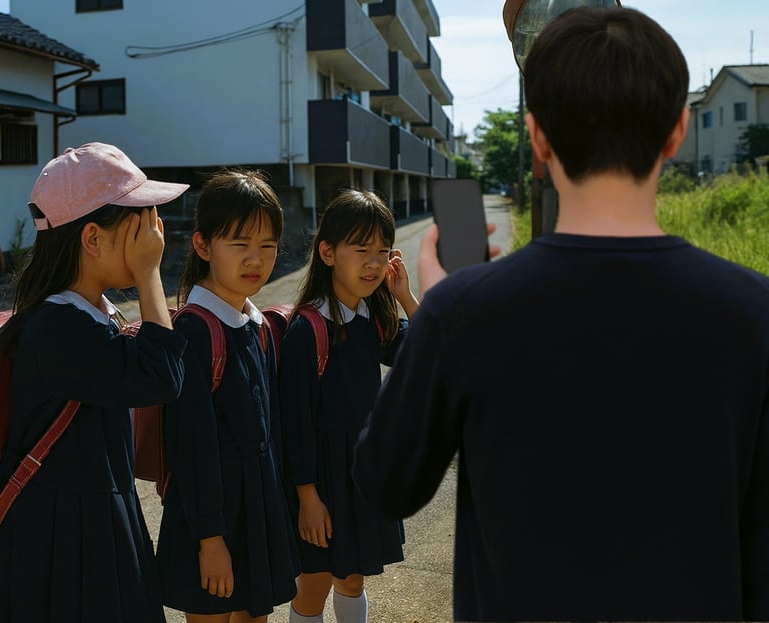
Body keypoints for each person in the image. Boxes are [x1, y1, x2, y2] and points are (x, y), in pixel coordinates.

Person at [353, 6, 769, 622]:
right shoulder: (755, 313)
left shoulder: (465, 313)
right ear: (677, 132)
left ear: (538, 138)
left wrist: (440, 308)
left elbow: (386, 483)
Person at [0, 142, 189, 622]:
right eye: (140, 223)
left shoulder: (88, 315)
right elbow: (160, 376)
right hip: (63, 537)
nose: (155, 233)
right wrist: (149, 275)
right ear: (93, 239)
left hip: (89, 518)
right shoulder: (58, 327)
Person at [155, 169, 299, 623]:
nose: (256, 258)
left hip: (257, 506)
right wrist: (210, 539)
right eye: (240, 244)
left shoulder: (257, 325)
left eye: (268, 245)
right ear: (202, 245)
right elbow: (191, 446)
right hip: (211, 517)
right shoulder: (195, 330)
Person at [278, 190, 418, 623]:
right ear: (328, 252)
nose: (373, 263)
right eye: (361, 250)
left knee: (353, 577)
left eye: (382, 251)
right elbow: (295, 422)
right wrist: (308, 498)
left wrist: (404, 297)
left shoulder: (374, 318)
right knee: (315, 582)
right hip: (321, 478)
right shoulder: (309, 327)